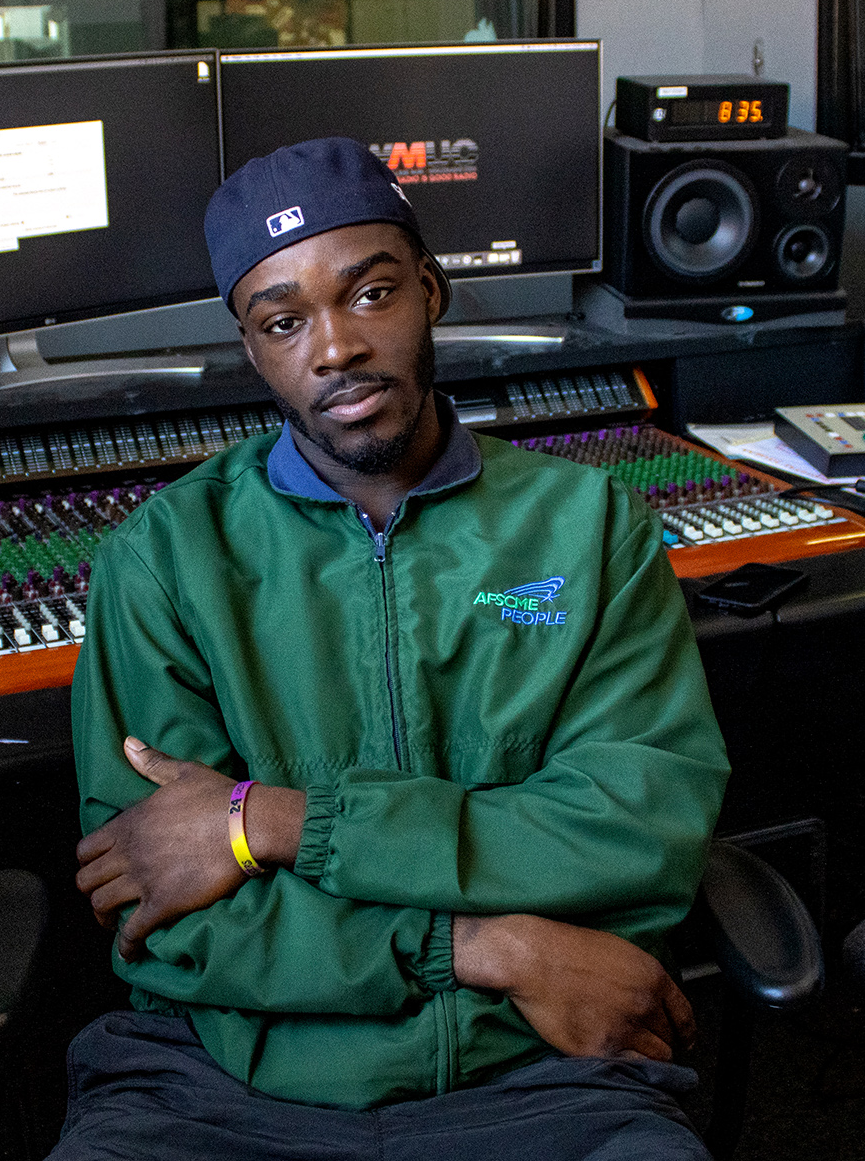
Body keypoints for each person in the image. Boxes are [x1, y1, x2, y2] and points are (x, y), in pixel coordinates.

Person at [60, 137, 731, 1159]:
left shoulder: (590, 528)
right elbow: (166, 912)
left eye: (369, 294)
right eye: (283, 321)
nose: (334, 348)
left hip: (545, 1063)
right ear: (252, 348)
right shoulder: (160, 560)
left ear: (431, 290)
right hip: (225, 1076)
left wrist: (274, 821)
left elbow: (635, 835)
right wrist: (479, 946)